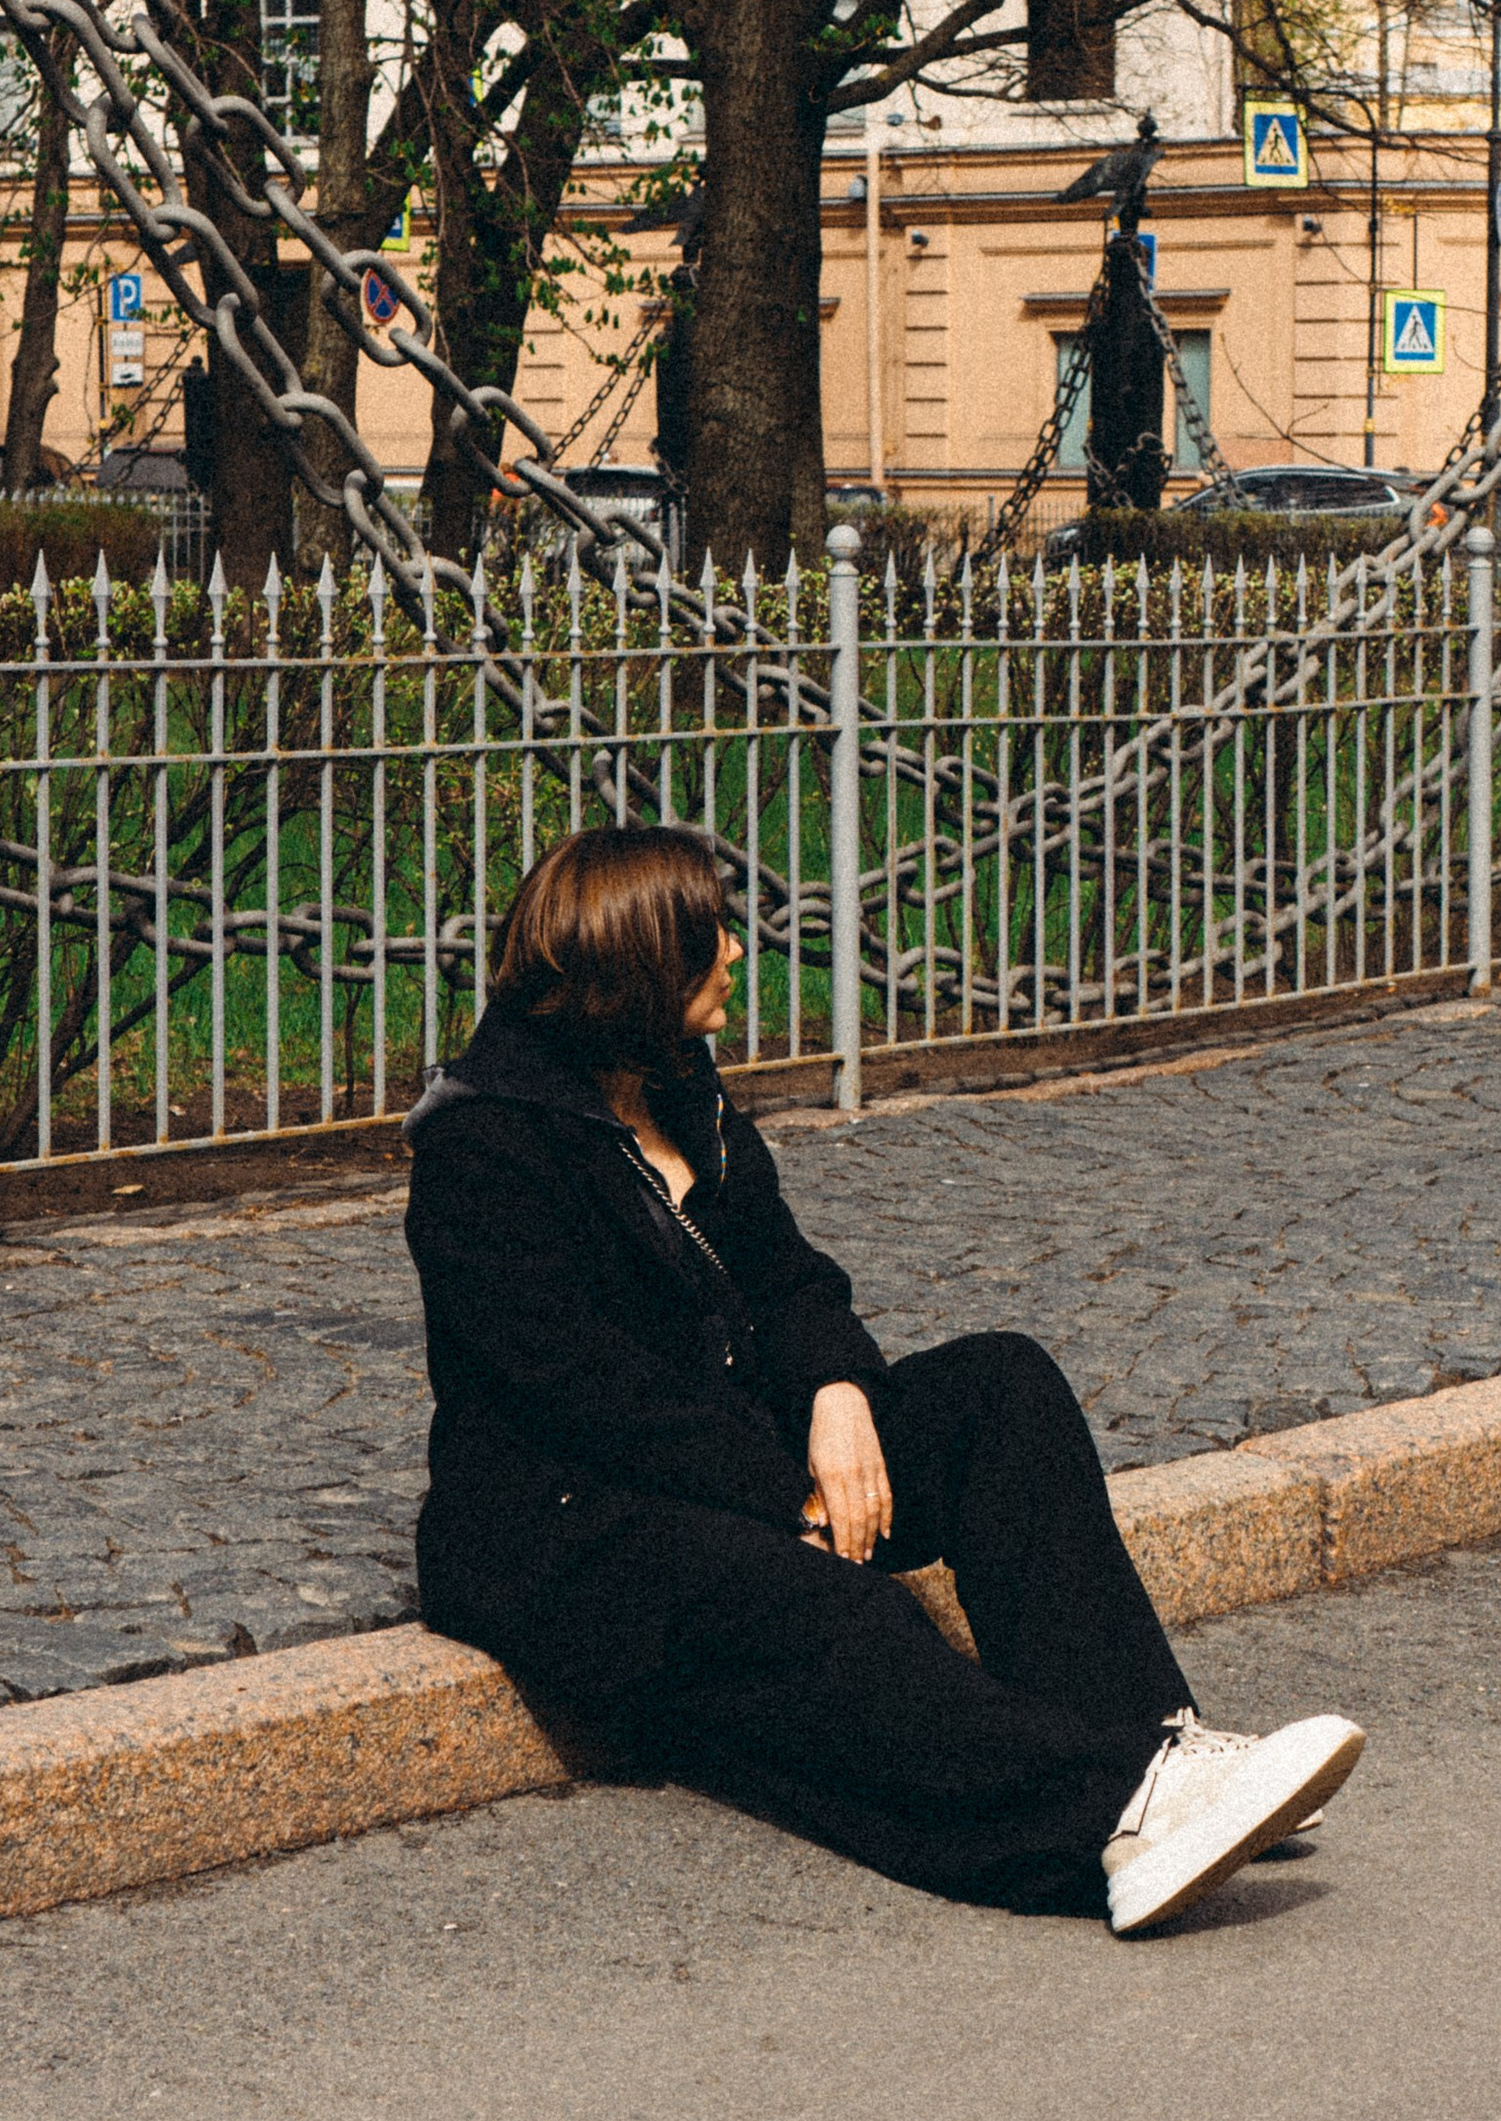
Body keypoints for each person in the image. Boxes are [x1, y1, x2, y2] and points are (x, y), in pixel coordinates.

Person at [402, 823, 1363, 1934]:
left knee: (1000, 1389)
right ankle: (1110, 1815)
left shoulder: (680, 1088)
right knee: (831, 1608)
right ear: (640, 962)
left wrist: (837, 1396)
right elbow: (581, 1392)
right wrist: (784, 1496)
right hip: (567, 1526)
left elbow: (790, 1278)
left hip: (735, 1457)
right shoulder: (485, 1148)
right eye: (713, 932)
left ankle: (1154, 1747)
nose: (736, 956)